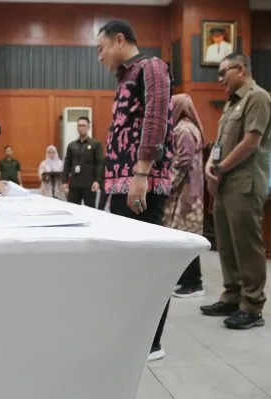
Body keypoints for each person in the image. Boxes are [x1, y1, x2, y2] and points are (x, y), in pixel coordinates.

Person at [97, 20, 174, 362]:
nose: (99, 57)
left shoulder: (151, 66)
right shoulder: (126, 76)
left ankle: (150, 342)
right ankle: (131, 335)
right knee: (129, 265)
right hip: (124, 183)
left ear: (119, 40)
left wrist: (141, 173)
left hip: (140, 183)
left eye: (101, 49)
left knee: (147, 264)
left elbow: (155, 120)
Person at [200, 53, 271, 330]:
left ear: (240, 69)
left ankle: (252, 306)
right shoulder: (232, 103)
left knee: (246, 245)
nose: (220, 79)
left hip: (245, 184)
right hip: (224, 184)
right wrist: (209, 164)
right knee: (227, 244)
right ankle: (232, 296)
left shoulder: (258, 98)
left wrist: (220, 168)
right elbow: (219, 143)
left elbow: (251, 142)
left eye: (223, 73)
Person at [163, 94, 206, 298]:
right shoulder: (187, 127)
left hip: (186, 192)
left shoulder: (184, 129)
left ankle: (194, 283)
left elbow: (182, 161)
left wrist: (168, 185)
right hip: (189, 190)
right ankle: (185, 279)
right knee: (183, 235)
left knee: (187, 238)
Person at [62, 116, 103, 207]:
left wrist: (97, 181)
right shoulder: (72, 145)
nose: (81, 128)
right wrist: (64, 181)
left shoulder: (95, 144)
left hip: (89, 184)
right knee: (73, 209)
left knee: (90, 210)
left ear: (88, 127)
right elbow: (67, 164)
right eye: (79, 125)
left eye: (83, 125)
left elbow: (99, 164)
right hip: (74, 184)